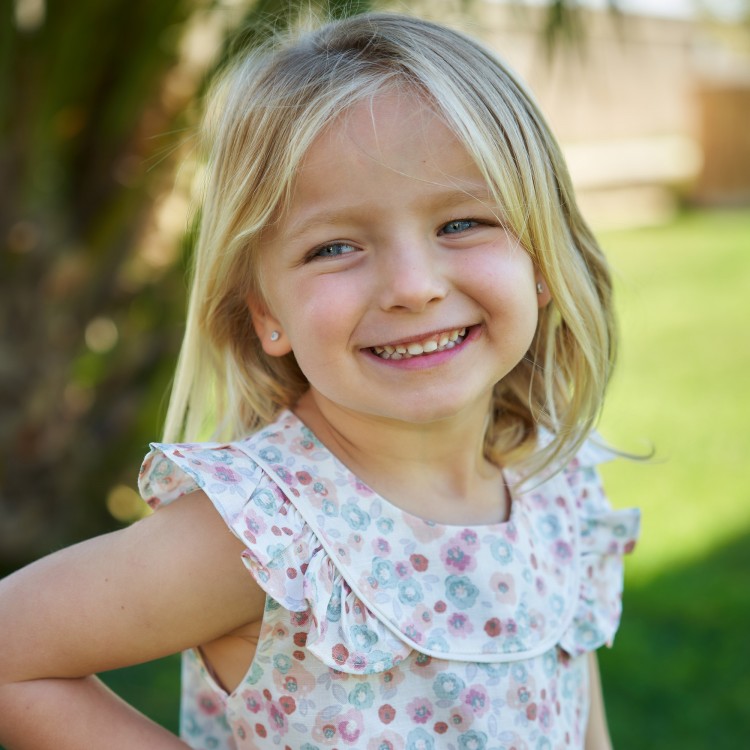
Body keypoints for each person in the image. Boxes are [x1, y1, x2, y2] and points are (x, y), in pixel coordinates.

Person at [0, 12, 640, 750]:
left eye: (462, 223)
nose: (412, 286)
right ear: (266, 312)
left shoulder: (557, 487)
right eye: (335, 246)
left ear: (542, 261)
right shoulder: (266, 538)